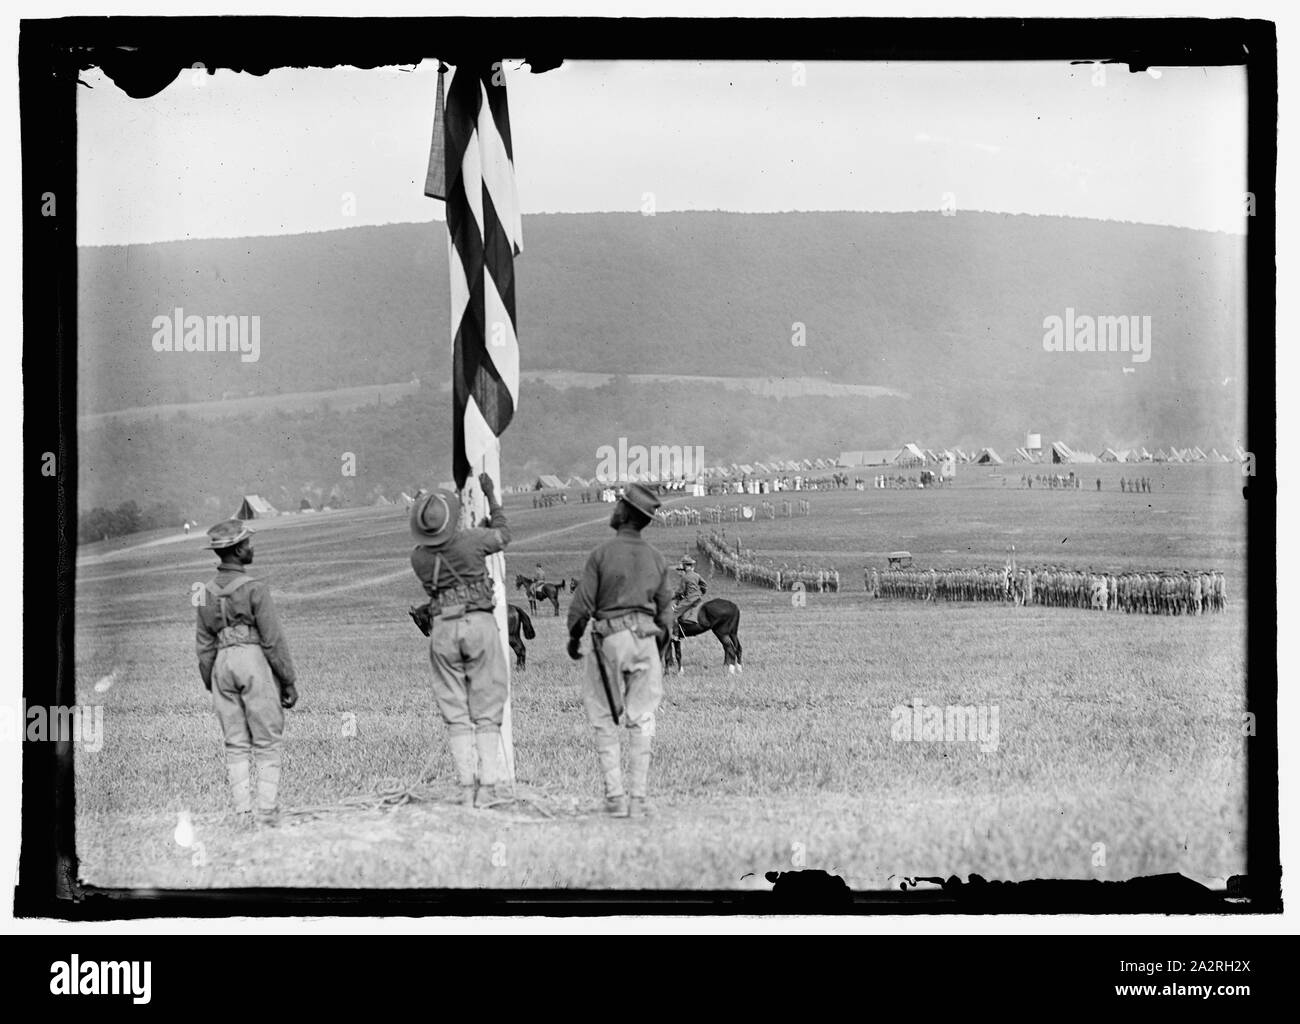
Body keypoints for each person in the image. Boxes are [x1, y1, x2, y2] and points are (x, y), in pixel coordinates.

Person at [566, 482, 673, 818]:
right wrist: (659, 645)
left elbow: (582, 605)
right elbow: (666, 610)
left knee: (603, 716)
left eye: (619, 504)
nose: (614, 507)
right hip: (645, 640)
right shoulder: (656, 557)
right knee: (642, 718)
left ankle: (615, 798)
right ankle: (639, 800)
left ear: (624, 513)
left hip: (609, 640)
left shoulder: (601, 554)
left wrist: (574, 637)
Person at [410, 473, 512, 809]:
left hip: (442, 629)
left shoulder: (418, 558)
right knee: (487, 705)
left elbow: (451, 552)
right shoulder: (471, 541)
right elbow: (502, 534)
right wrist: (491, 496)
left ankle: (467, 788)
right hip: (479, 623)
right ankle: (488, 787)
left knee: (455, 712)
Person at [195, 520, 299, 827]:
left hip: (221, 667)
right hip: (252, 660)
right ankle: (266, 811)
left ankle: (242, 813)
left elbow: (203, 646)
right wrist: (288, 680)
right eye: (248, 544)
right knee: (267, 738)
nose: (251, 547)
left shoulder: (204, 594)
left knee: (235, 741)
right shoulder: (255, 589)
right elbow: (272, 639)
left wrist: (211, 682)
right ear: (239, 550)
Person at [673, 556, 708, 631]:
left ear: (685, 566)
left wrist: (673, 596)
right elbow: (704, 586)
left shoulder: (685, 577)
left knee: (674, 614)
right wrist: (701, 593)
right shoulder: (697, 575)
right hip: (698, 598)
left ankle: (675, 635)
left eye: (683, 565)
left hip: (689, 599)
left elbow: (681, 591)